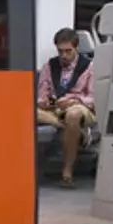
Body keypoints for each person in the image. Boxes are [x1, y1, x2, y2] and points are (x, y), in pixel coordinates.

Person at [37, 27, 95, 189]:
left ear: (76, 48)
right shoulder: (50, 66)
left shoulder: (89, 67)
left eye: (68, 51)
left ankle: (67, 172)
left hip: (79, 106)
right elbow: (42, 95)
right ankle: (78, 132)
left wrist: (73, 100)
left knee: (73, 115)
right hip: (55, 108)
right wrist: (45, 102)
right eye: (60, 51)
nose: (64, 55)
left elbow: (93, 99)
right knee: (29, 111)